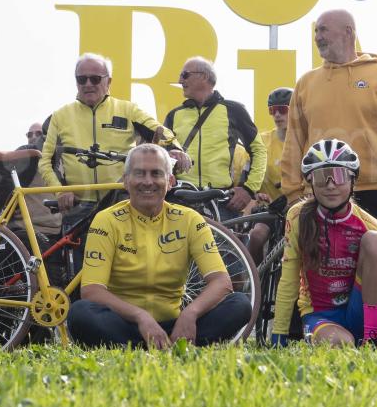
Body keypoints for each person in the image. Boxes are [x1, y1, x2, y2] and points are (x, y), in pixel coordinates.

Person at [66, 144, 252, 348]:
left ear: (170, 181)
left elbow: (221, 282)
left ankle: (154, 344)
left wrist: (191, 313)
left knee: (240, 304)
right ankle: (163, 346)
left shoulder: (190, 219)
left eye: (156, 174)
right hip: (123, 322)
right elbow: (92, 291)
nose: (147, 182)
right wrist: (140, 316)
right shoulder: (106, 220)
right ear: (126, 181)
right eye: (139, 174)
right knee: (80, 313)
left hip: (176, 323)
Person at [270, 139, 377, 346]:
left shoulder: (369, 224)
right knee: (343, 344)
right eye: (322, 177)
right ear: (311, 182)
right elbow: (288, 280)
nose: (331, 185)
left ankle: (372, 341)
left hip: (359, 312)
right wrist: (278, 334)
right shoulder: (297, 216)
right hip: (319, 316)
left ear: (352, 181)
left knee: (376, 240)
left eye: (339, 176)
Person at [280, 9, 377, 227]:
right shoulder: (305, 83)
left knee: (371, 258)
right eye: (316, 31)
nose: (317, 37)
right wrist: (293, 191)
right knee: (316, 260)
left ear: (348, 32)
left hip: (372, 189)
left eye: (323, 30)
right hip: (318, 189)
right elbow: (293, 141)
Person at [40, 53, 189, 229]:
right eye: (82, 79)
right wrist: (61, 192)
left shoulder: (127, 109)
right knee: (81, 257)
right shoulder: (60, 116)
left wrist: (175, 149)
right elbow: (46, 161)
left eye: (95, 79)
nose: (88, 84)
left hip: (121, 200)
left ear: (108, 81)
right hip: (78, 205)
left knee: (130, 255)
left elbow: (158, 131)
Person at [163, 57, 267, 218]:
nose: (179, 80)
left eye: (185, 75)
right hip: (179, 197)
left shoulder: (234, 110)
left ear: (204, 76)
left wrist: (249, 189)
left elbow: (259, 150)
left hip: (220, 200)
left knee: (225, 244)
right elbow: (162, 155)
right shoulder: (173, 115)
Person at [241, 87, 291, 263]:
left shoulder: (306, 141)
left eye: (283, 110)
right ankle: (257, 281)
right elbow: (247, 176)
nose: (277, 115)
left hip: (297, 206)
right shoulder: (262, 141)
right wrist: (255, 193)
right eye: (272, 110)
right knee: (256, 236)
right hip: (270, 207)